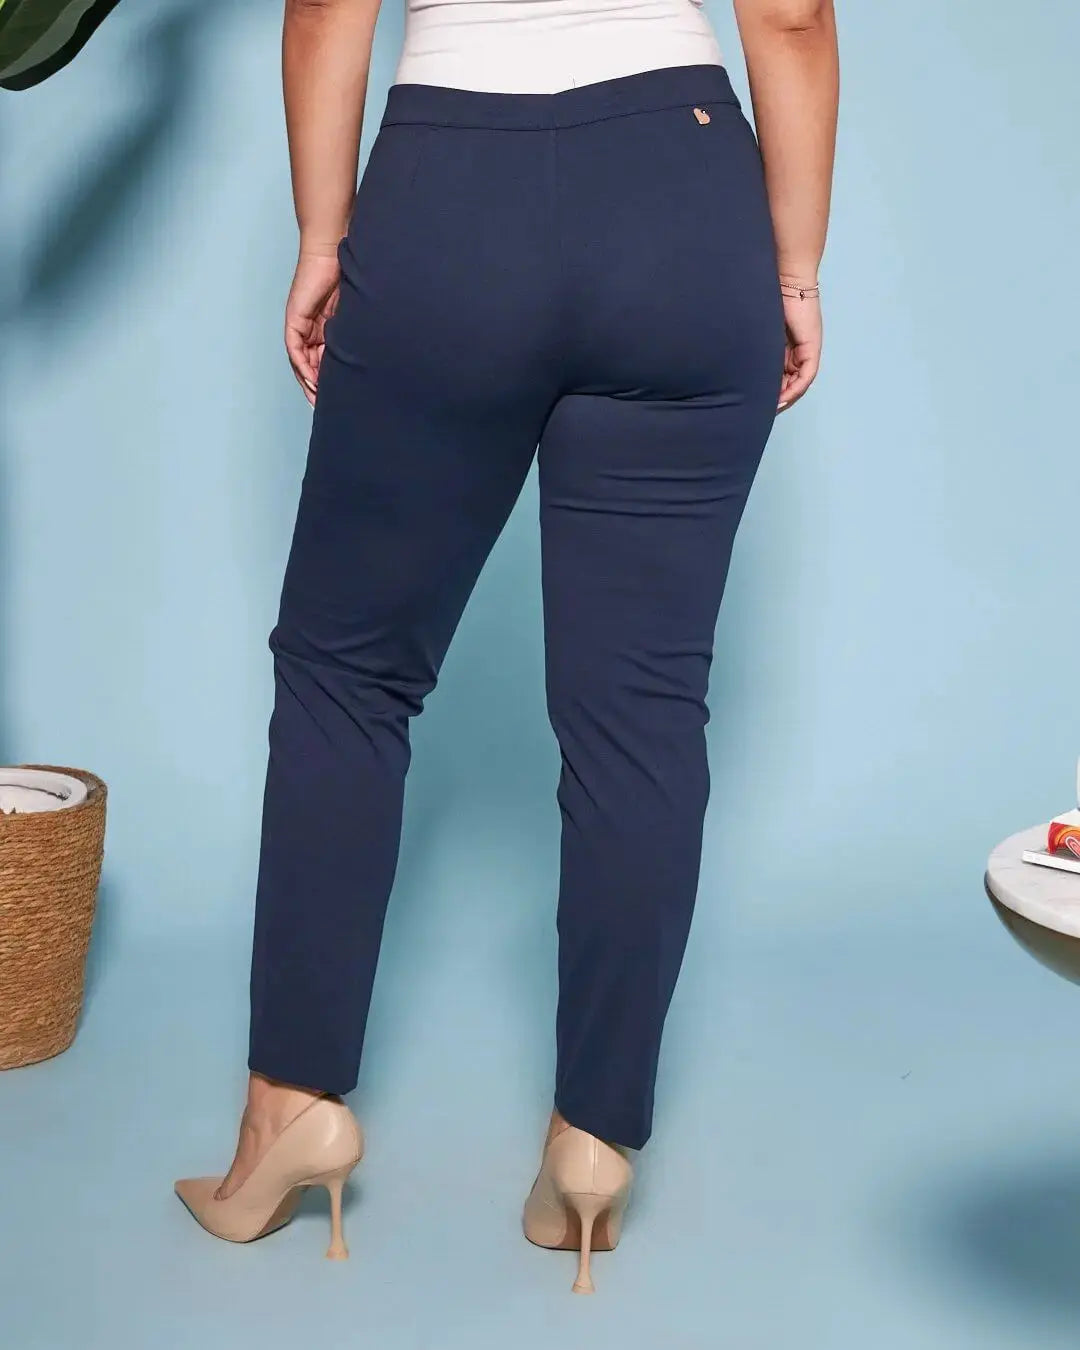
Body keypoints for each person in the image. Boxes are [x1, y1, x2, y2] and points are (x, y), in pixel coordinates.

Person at [174, 0, 838, 1293]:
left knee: (349, 677)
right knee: (642, 706)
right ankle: (593, 1140)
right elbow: (793, 14)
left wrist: (322, 237)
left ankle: (286, 1111)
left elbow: (325, 13)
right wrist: (795, 267)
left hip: (450, 197)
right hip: (685, 198)